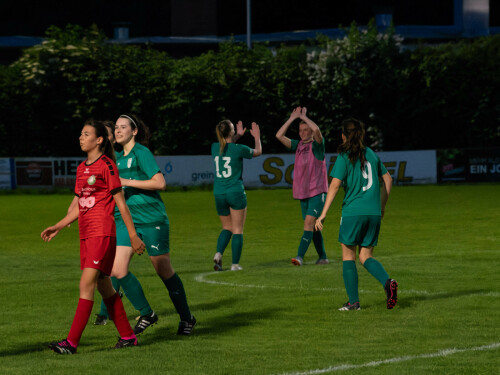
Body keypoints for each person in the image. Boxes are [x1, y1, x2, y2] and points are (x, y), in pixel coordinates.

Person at [41, 119, 146, 354]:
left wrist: (132, 235)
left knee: (86, 283)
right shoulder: (81, 168)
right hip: (86, 234)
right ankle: (128, 336)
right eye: (80, 133)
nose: (81, 137)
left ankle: (71, 343)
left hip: (102, 233)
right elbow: (81, 205)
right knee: (104, 287)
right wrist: (58, 225)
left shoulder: (107, 165)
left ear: (99, 140)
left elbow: (121, 204)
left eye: (86, 134)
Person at [95, 113, 196, 335]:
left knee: (163, 270)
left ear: (135, 131)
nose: (119, 131)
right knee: (117, 270)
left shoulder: (142, 152)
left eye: (123, 127)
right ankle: (147, 313)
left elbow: (160, 182)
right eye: (117, 128)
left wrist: (127, 182)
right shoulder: (117, 158)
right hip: (127, 222)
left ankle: (187, 318)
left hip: (152, 219)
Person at [315, 118, 398, 311]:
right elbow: (388, 179)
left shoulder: (344, 156)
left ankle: (353, 302)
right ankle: (387, 282)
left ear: (343, 136)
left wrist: (323, 214)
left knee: (348, 256)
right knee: (366, 256)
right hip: (373, 213)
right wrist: (382, 206)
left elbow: (335, 185)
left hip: (353, 212)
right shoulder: (371, 154)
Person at [276, 107, 329, 266]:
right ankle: (323, 257)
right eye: (300, 130)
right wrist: (292, 118)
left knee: (308, 224)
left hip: (317, 192)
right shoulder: (297, 145)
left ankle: (299, 257)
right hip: (303, 193)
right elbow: (279, 135)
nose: (303, 132)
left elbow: (317, 130)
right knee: (313, 227)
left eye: (306, 130)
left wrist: (304, 117)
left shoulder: (318, 146)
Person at [211, 120, 262, 271]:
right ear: (231, 132)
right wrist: (257, 137)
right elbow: (258, 151)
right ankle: (235, 265)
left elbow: (227, 146)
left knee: (227, 227)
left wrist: (238, 135)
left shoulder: (214, 147)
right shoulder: (239, 149)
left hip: (219, 193)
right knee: (238, 229)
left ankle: (219, 254)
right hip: (235, 192)